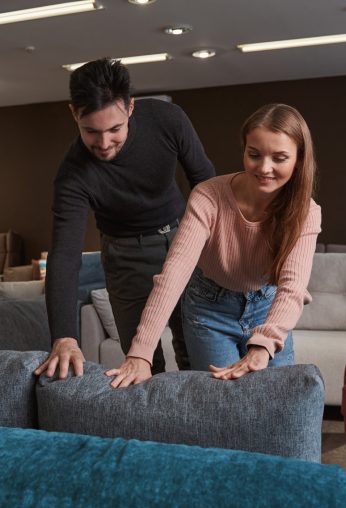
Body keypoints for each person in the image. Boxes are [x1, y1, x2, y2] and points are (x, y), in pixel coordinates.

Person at [106, 103, 321, 388]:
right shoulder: (208, 197)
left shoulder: (306, 211)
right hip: (209, 309)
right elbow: (174, 275)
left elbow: (292, 287)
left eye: (280, 158)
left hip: (267, 307)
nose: (265, 168)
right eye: (254, 155)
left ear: (299, 159)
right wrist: (141, 352)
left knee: (276, 401)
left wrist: (264, 344)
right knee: (220, 405)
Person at [34, 58, 215, 380]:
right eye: (91, 131)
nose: (103, 144)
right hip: (124, 257)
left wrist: (216, 247)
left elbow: (206, 183)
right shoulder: (72, 176)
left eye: (114, 129)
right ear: (74, 114)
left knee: (195, 352)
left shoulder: (167, 119)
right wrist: (63, 336)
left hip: (184, 240)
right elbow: (65, 254)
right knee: (141, 363)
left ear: (130, 108)